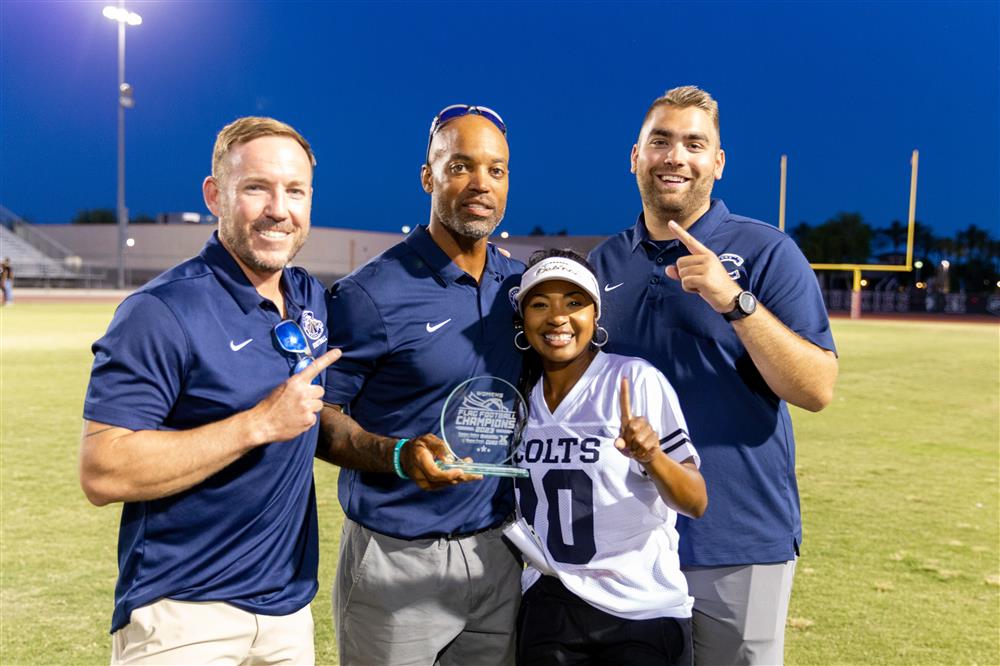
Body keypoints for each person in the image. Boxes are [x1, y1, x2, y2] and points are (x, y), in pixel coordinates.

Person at [588, 86, 839, 665]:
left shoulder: (767, 252)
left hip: (736, 538)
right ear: (635, 156)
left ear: (717, 163)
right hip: (625, 546)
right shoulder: (602, 264)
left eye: (694, 144)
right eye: (661, 141)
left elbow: (816, 388)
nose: (675, 156)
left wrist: (737, 303)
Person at [79, 116, 341, 665]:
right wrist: (256, 424)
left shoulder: (308, 295)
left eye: (295, 190)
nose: (279, 208)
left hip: (287, 613)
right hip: (183, 616)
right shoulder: (160, 311)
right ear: (215, 194)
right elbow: (103, 469)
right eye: (256, 188)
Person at [316, 105, 524, 665]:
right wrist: (401, 456)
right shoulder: (370, 294)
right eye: (460, 166)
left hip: (499, 553)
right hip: (396, 556)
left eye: (496, 170)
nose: (481, 183)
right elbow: (322, 419)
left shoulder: (522, 288)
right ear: (428, 176)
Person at [503, 249, 707, 665]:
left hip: (640, 607)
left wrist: (653, 456)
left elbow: (695, 501)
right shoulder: (517, 395)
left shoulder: (631, 379)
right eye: (540, 304)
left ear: (596, 315)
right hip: (552, 600)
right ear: (523, 320)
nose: (558, 317)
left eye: (574, 303)